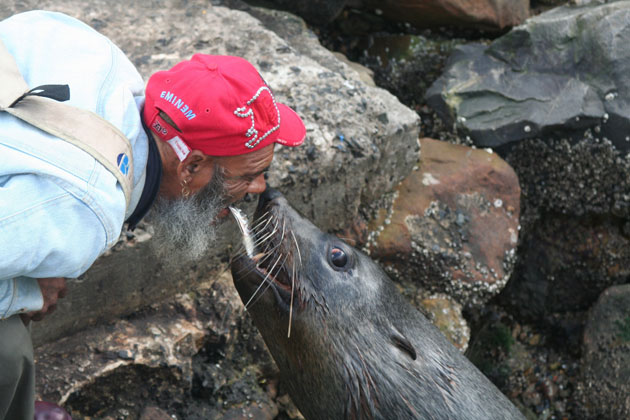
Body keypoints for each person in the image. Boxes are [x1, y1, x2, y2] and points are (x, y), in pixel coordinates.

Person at [0, 9, 306, 420]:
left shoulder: (104, 62)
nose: (260, 189)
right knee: (8, 349)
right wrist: (26, 293)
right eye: (247, 176)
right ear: (191, 167)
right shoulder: (86, 208)